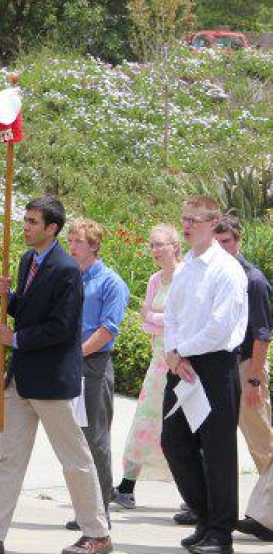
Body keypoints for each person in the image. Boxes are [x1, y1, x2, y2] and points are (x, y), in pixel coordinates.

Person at [0, 196, 111, 554]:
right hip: (21, 379)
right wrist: (11, 297)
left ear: (52, 228)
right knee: (9, 458)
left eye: (33, 222)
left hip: (51, 381)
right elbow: (33, 311)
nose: (26, 226)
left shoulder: (67, 269)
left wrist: (16, 339)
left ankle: (97, 533)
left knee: (74, 459)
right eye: (25, 220)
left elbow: (63, 327)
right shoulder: (26, 261)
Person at [162, 196, 247, 554]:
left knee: (217, 451)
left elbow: (219, 328)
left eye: (194, 219)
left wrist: (183, 351)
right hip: (182, 365)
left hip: (214, 367)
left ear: (213, 223)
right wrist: (172, 352)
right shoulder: (185, 269)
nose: (187, 225)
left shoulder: (227, 270)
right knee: (174, 442)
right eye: (184, 219)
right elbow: (171, 316)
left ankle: (221, 533)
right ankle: (205, 515)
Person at [64, 218, 129, 527]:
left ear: (94, 245)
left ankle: (99, 511)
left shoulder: (110, 282)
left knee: (95, 438)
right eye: (70, 240)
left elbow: (107, 330)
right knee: (73, 438)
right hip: (67, 363)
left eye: (77, 241)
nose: (71, 246)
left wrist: (76, 354)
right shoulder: (70, 277)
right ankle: (85, 508)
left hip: (93, 365)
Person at [214, 215, 273, 542]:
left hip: (246, 367)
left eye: (228, 242)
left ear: (238, 240)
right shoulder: (217, 276)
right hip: (221, 368)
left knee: (263, 446)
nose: (224, 248)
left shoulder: (254, 280)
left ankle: (268, 517)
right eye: (218, 242)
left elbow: (262, 336)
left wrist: (253, 381)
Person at [113, 224, 180, 509]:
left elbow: (181, 319)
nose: (154, 250)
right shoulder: (155, 279)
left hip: (181, 363)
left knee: (181, 429)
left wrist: (155, 316)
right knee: (145, 422)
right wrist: (157, 317)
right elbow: (145, 323)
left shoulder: (185, 276)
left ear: (175, 247)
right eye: (152, 245)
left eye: (160, 245)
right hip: (158, 363)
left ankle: (192, 494)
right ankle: (127, 486)